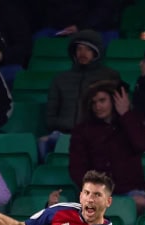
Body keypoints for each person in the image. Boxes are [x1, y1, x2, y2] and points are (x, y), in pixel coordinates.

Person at [69, 80, 145, 215]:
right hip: (97, 192)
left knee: (139, 203)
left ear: (114, 100)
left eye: (102, 101)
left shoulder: (130, 120)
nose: (98, 106)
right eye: (94, 102)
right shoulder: (83, 130)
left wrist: (126, 114)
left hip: (130, 190)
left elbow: (143, 144)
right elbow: (77, 168)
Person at [40, 29, 119, 162]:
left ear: (96, 52)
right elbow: (50, 117)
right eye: (79, 49)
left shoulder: (109, 76)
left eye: (88, 49)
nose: (83, 53)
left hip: (97, 133)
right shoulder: (60, 79)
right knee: (43, 143)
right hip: (64, 134)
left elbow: (117, 112)